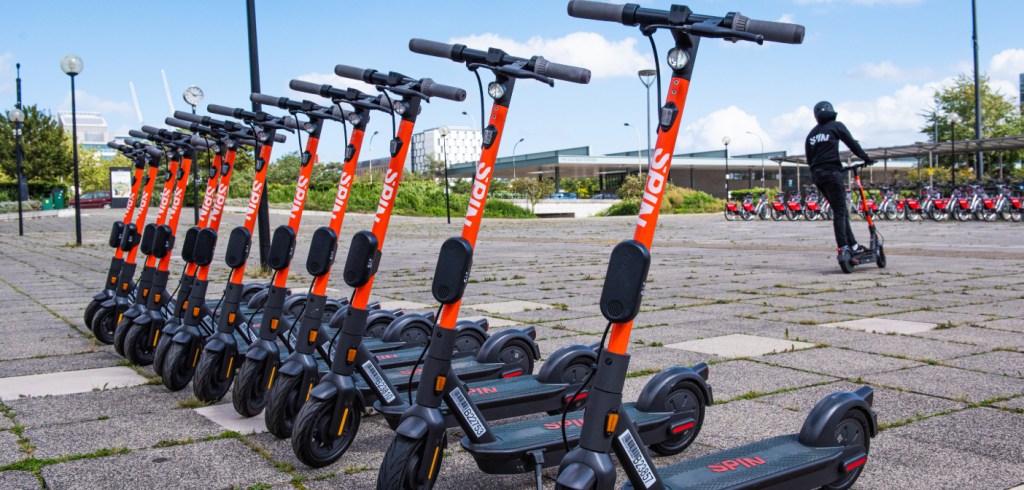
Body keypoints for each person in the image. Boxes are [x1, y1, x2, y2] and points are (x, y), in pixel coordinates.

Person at [805, 101, 874, 257]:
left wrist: (819, 169)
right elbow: (851, 143)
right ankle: (843, 247)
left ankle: (854, 246)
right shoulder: (836, 126)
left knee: (839, 211)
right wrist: (865, 158)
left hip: (818, 175)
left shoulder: (811, 135)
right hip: (832, 173)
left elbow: (810, 159)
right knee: (840, 211)